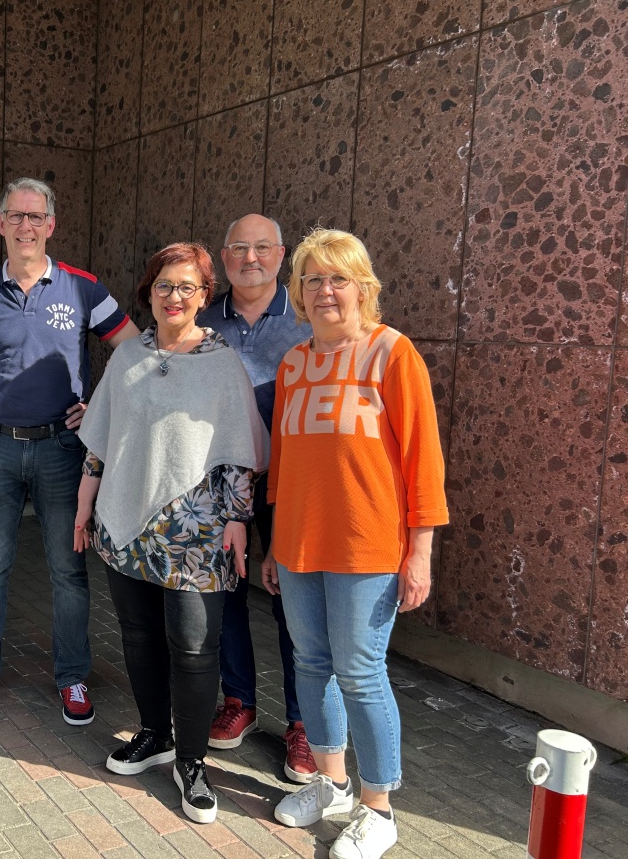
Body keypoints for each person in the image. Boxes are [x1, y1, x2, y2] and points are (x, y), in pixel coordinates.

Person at [266, 229, 448, 859]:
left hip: (367, 547)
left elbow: (423, 460)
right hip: (297, 544)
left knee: (361, 673)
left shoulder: (393, 354)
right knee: (312, 666)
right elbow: (284, 464)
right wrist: (272, 545)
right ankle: (331, 784)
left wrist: (419, 550)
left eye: (337, 278)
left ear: (363, 288)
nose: (324, 291)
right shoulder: (292, 364)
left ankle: (379, 808)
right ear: (298, 293)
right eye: (311, 280)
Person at [74, 242, 267, 824]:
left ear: (205, 297)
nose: (175, 296)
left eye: (187, 287)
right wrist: (86, 505)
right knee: (137, 635)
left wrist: (238, 519)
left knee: (192, 646)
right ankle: (154, 734)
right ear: (149, 293)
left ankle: (192, 762)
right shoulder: (128, 356)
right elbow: (102, 441)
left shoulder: (222, 363)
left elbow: (239, 452)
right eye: (164, 285)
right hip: (125, 522)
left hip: (197, 531)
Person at [0, 177, 138, 724]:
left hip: (60, 449)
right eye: (16, 216)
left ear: (51, 226)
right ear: (1, 224)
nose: (26, 226)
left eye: (36, 217)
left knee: (67, 571)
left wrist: (96, 407)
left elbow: (132, 351)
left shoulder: (83, 288)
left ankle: (73, 677)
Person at [198, 214, 317, 782]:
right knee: (226, 592)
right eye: (239, 248)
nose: (251, 258)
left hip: (292, 481)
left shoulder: (308, 318)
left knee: (291, 599)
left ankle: (302, 724)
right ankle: (238, 701)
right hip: (220, 481)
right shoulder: (201, 319)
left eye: (262, 248)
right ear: (224, 258)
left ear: (281, 253)